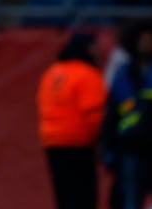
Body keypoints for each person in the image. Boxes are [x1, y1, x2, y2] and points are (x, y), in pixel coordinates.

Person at [101, 22, 152, 209]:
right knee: (131, 201)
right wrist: (109, 149)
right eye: (143, 40)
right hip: (132, 150)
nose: (146, 44)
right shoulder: (123, 74)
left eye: (151, 41)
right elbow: (112, 113)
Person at [37, 30, 107, 209]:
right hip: (79, 142)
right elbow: (93, 114)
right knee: (84, 196)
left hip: (52, 142)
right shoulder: (88, 74)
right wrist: (100, 141)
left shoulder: (52, 73)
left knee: (63, 194)